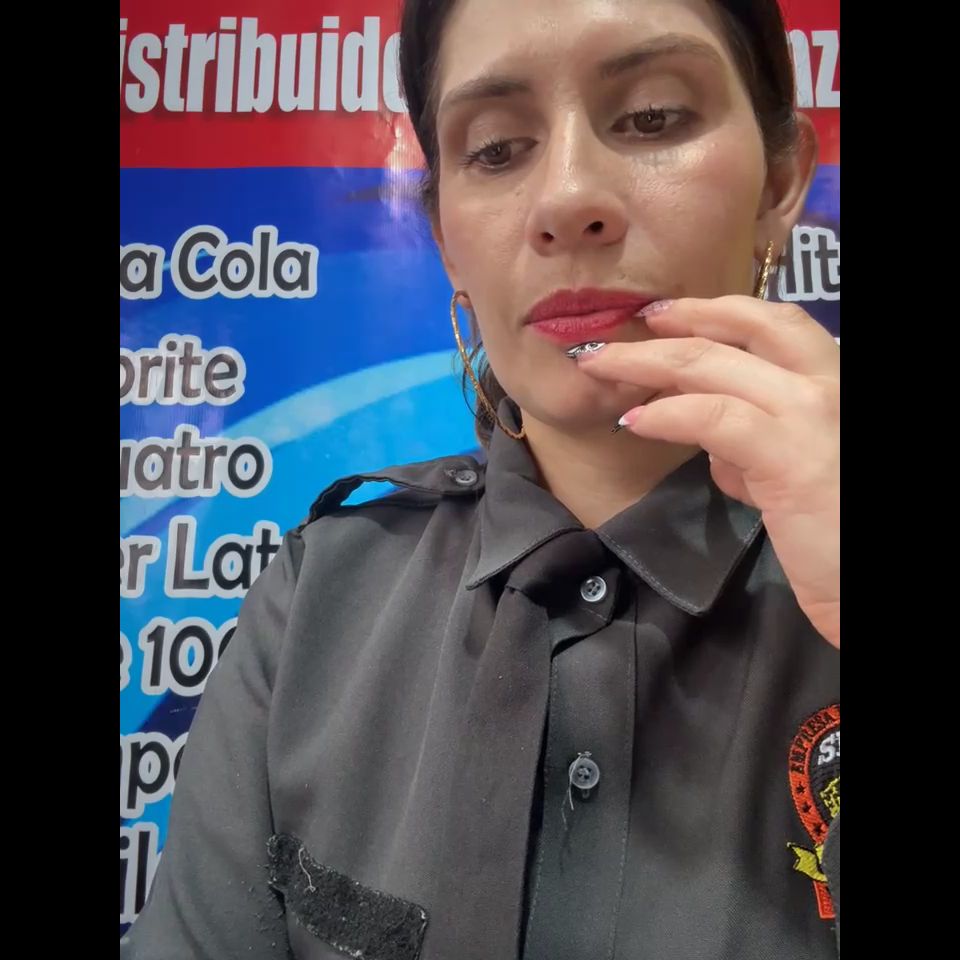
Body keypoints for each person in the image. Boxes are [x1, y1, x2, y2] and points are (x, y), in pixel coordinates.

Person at [121, 0, 840, 957]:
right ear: (445, 237)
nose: (567, 198)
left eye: (652, 117)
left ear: (781, 181)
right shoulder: (316, 597)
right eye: (496, 149)